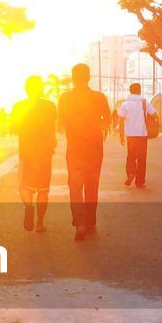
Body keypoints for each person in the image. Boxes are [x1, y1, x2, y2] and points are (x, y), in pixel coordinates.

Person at [58, 63, 111, 241]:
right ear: (89, 77)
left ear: (73, 78)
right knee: (92, 186)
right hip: (95, 148)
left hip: (74, 149)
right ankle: (90, 222)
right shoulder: (99, 97)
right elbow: (108, 119)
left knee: (75, 186)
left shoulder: (65, 98)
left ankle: (79, 224)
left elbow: (61, 121)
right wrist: (100, 129)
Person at [12, 75, 57, 232]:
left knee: (25, 185)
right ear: (41, 88)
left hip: (27, 151)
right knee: (43, 190)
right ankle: (40, 223)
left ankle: (28, 206)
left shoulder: (19, 106)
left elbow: (13, 128)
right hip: (45, 152)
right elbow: (53, 127)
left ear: (26, 89)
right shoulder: (51, 106)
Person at [117, 82, 151, 188]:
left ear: (130, 91)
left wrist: (121, 134)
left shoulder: (125, 104)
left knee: (131, 156)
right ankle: (140, 182)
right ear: (140, 90)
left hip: (131, 136)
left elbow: (121, 120)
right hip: (142, 135)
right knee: (142, 158)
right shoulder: (145, 103)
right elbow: (154, 115)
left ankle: (131, 173)